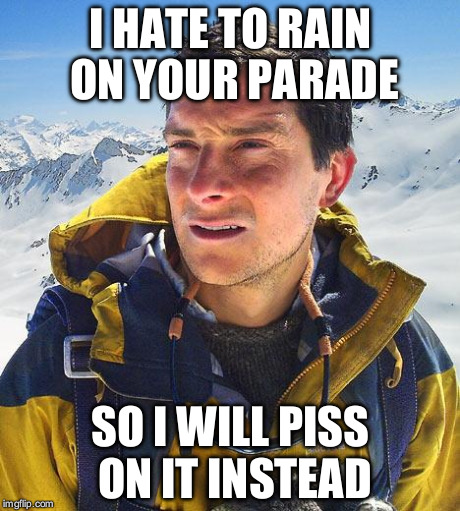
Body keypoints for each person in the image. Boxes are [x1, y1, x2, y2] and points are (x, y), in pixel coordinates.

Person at [0, 21, 458, 511]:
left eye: (250, 145)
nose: (202, 187)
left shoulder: (399, 360)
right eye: (184, 147)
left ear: (332, 177)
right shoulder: (64, 370)